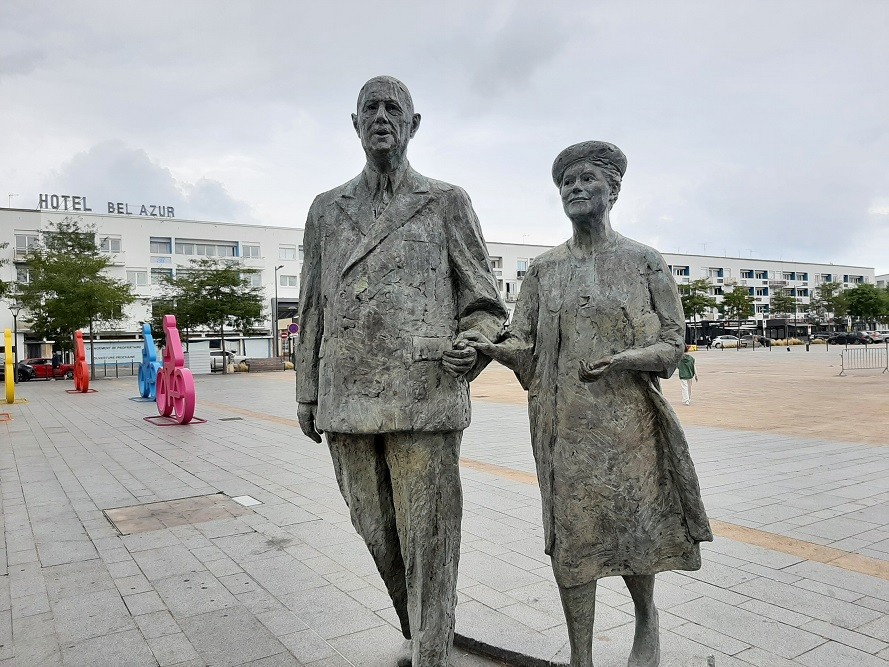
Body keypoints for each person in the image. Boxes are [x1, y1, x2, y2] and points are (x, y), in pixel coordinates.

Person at [464, 141, 712, 667]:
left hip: (630, 428)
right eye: (566, 183)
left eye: (586, 180)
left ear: (613, 189)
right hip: (563, 429)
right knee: (574, 540)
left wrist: (626, 359)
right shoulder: (543, 270)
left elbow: (672, 344)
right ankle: (582, 656)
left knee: (633, 528)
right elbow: (524, 346)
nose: (575, 189)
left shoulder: (643, 261)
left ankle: (647, 618)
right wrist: (491, 348)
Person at [295, 76, 507, 667]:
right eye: (371, 108)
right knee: (376, 531)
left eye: (394, 108)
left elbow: (486, 303)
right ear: (355, 122)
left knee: (429, 537)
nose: (382, 116)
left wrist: (476, 341)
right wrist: (307, 392)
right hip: (347, 396)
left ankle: (432, 652)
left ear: (414, 125)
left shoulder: (446, 201)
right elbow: (311, 304)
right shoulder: (326, 209)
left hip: (425, 390)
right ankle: (420, 629)